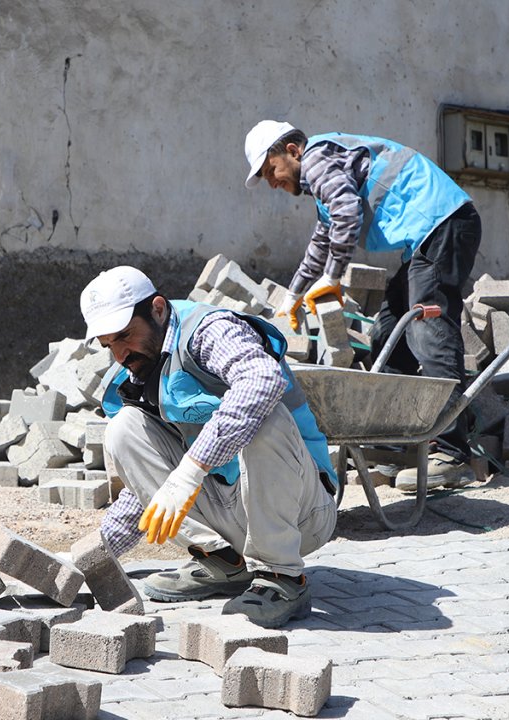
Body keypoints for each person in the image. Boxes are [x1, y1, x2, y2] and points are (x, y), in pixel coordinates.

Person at [82, 265, 337, 628]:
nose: (121, 353)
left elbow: (262, 380)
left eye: (125, 335)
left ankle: (282, 577)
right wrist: (95, 557)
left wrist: (191, 469)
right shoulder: (141, 371)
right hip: (233, 510)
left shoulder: (208, 331)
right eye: (110, 345)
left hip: (303, 512)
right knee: (123, 429)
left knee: (262, 414)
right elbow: (150, 486)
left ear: (157, 309)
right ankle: (222, 561)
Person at [243, 120, 483, 491]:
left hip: (444, 224)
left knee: (428, 328)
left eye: (269, 170)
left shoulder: (318, 158)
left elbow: (347, 214)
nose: (271, 182)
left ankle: (452, 452)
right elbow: (324, 238)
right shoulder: (323, 176)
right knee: (388, 332)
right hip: (427, 236)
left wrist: (334, 276)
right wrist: (293, 294)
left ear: (292, 151)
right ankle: (396, 447)